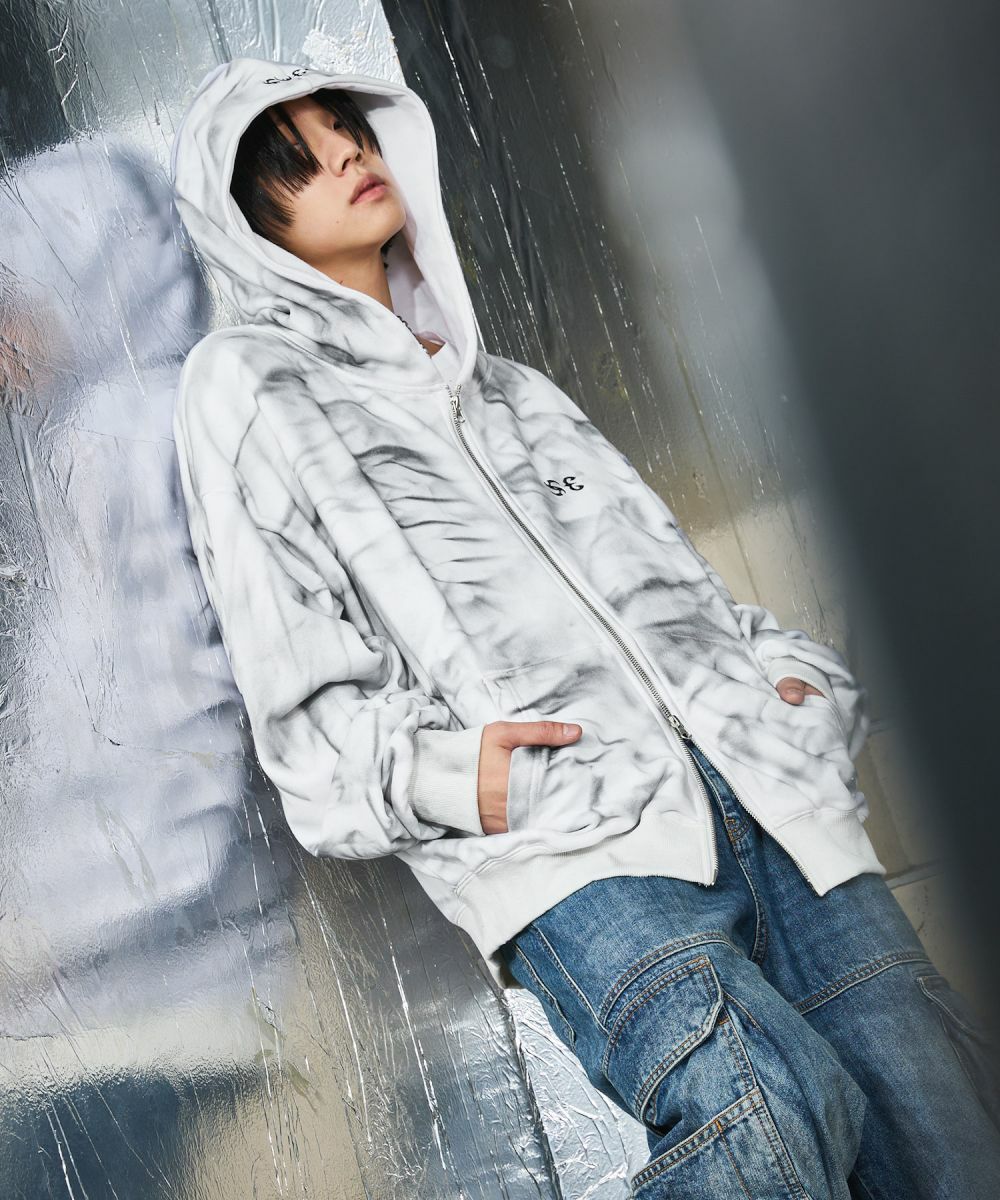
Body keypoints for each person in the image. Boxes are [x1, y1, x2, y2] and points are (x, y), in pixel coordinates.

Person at [169, 57, 1000, 1197]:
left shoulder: (514, 391)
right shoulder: (246, 388)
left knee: (948, 1133)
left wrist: (782, 683)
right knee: (757, 1113)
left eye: (346, 127)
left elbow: (681, 595)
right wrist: (469, 779)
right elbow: (302, 708)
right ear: (244, 220)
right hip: (581, 845)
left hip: (770, 804)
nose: (346, 153)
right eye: (293, 157)